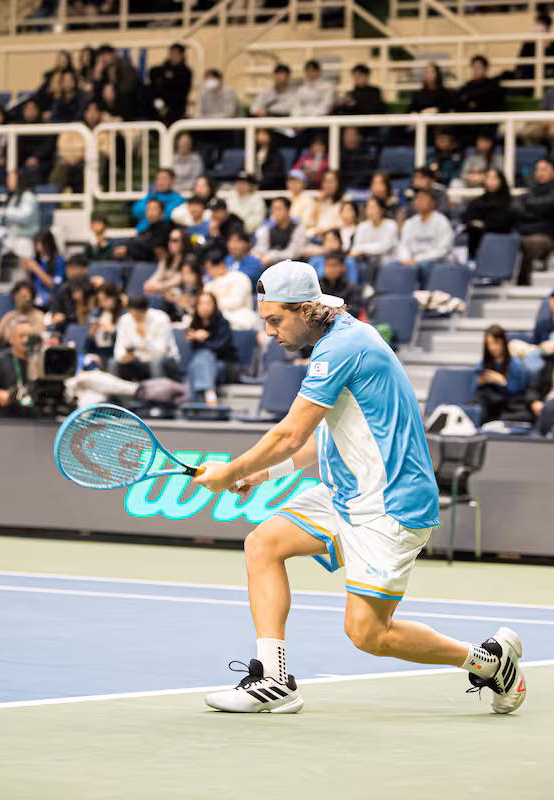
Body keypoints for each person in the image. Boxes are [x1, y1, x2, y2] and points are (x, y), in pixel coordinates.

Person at [192, 259, 523, 716]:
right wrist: (262, 473)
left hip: (390, 506)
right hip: (346, 495)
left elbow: (289, 434)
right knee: (262, 545)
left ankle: (491, 663)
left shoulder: (343, 348)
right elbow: (324, 437)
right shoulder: (335, 338)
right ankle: (273, 679)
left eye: (275, 320)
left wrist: (227, 473)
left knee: (369, 635)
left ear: (307, 310)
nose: (269, 331)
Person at [512, 158, 554, 286]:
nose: (539, 173)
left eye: (544, 169)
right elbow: (516, 207)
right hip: (525, 232)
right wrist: (531, 211)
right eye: (537, 169)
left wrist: (526, 209)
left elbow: (540, 207)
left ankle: (523, 283)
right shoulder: (531, 191)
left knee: (524, 243)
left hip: (546, 237)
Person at [0, 318, 40, 419]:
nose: (26, 340)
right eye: (21, 336)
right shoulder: (0, 360)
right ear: (11, 339)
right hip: (7, 419)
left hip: (36, 419)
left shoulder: (40, 361)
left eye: (29, 336)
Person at [184, 291, 235, 406]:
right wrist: (197, 337)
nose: (204, 307)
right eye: (201, 304)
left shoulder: (223, 324)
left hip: (225, 364)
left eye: (208, 303)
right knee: (196, 363)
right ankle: (208, 394)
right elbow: (194, 350)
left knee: (203, 357)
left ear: (214, 305)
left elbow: (219, 347)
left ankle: (197, 401)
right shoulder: (194, 325)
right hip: (204, 364)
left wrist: (203, 339)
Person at [110, 294, 177, 381]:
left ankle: (158, 393)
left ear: (146, 310)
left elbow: (161, 352)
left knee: (156, 364)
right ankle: (120, 393)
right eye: (132, 313)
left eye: (139, 314)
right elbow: (119, 347)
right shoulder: (125, 320)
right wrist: (124, 357)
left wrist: (145, 337)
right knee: (113, 363)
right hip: (137, 359)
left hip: (162, 359)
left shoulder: (161, 319)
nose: (135, 317)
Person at [396, 188, 453, 284]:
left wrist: (417, 260)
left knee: (424, 265)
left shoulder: (442, 222)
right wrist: (406, 259)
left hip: (434, 261)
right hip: (412, 260)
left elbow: (443, 250)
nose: (419, 201)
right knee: (392, 265)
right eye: (417, 198)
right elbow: (403, 245)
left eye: (423, 198)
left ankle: (425, 292)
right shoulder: (410, 222)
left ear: (432, 203)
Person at [475, 324, 525, 423]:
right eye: (489, 344)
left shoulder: (515, 364)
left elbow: (518, 392)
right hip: (488, 404)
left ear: (503, 343)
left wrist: (502, 382)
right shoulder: (482, 364)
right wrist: (480, 382)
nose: (493, 348)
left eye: (496, 343)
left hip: (508, 405)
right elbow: (475, 389)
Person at [462, 168, 513, 259]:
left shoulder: (508, 201)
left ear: (501, 181)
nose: (490, 181)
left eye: (494, 178)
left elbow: (504, 223)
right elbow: (468, 218)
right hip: (476, 238)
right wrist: (475, 224)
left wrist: (484, 225)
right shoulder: (477, 202)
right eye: (488, 178)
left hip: (500, 239)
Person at [205, 247, 260, 331]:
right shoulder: (209, 285)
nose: (208, 273)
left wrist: (215, 304)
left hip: (239, 314)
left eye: (209, 268)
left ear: (221, 265)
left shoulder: (239, 277)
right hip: (217, 316)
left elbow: (236, 302)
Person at [253, 197, 307, 267]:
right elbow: (260, 248)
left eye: (278, 209)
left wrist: (272, 256)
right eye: (273, 209)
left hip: (292, 267)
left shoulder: (299, 228)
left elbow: (293, 253)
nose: (275, 213)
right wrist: (258, 256)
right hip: (270, 265)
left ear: (288, 210)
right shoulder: (268, 229)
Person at [0, 281, 46, 354]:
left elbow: (40, 340)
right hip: (7, 354)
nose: (21, 299)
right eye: (18, 296)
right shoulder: (9, 316)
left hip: (29, 354)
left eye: (24, 296)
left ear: (32, 297)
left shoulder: (39, 317)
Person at [350, 197, 398, 271]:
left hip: (387, 259)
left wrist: (363, 249)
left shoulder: (391, 225)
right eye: (368, 208)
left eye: (373, 207)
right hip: (366, 260)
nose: (370, 211)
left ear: (382, 210)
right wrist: (360, 250)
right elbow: (356, 247)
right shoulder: (362, 226)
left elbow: (385, 246)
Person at [21, 230, 65, 309]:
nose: (38, 246)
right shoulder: (34, 259)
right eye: (36, 243)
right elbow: (28, 281)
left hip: (51, 302)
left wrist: (37, 269)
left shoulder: (58, 261)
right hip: (34, 301)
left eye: (41, 242)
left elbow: (53, 284)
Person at [515, 10, 554, 83]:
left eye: (539, 23)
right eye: (536, 23)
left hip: (548, 73)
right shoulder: (529, 42)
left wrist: (547, 46)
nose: (536, 26)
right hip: (530, 73)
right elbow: (520, 59)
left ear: (547, 26)